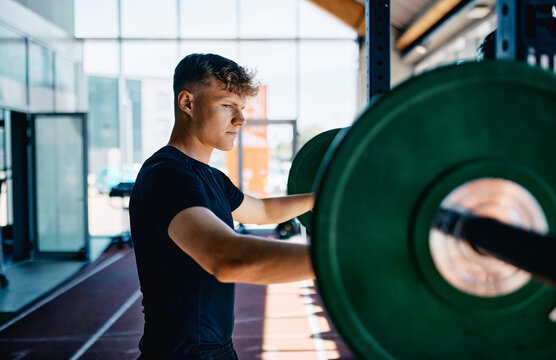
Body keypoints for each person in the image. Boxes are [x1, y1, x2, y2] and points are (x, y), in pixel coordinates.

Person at [129, 53, 315, 360]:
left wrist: (328, 197)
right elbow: (227, 257)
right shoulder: (167, 174)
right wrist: (340, 262)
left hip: (216, 351)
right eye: (227, 105)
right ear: (187, 103)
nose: (240, 119)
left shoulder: (210, 177)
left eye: (241, 108)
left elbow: (265, 212)